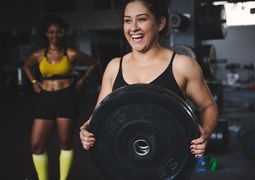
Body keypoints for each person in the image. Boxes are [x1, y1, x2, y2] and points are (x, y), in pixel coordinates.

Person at [80, 0, 218, 164]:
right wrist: (86, 129)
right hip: (127, 160)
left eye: (142, 19)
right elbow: (100, 114)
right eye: (127, 20)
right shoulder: (114, 67)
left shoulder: (182, 66)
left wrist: (205, 132)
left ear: (160, 23)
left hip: (169, 160)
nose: (133, 27)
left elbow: (208, 107)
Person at [23, 15, 98, 180]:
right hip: (45, 98)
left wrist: (82, 80)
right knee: (37, 144)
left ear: (63, 33)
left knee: (65, 142)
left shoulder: (70, 53)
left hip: (67, 98)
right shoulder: (39, 55)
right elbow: (26, 65)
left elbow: (93, 63)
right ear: (46, 34)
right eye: (51, 32)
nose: (55, 35)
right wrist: (34, 82)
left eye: (58, 32)